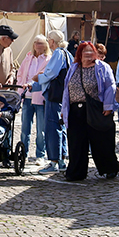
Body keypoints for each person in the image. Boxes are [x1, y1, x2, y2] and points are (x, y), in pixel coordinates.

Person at [61, 41, 119, 181]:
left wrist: (108, 106)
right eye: (84, 51)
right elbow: (66, 90)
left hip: (95, 109)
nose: (88, 54)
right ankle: (76, 172)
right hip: (75, 111)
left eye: (90, 51)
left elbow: (110, 86)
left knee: (101, 142)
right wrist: (65, 109)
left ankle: (109, 168)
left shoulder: (102, 67)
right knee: (76, 143)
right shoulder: (74, 68)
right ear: (79, 54)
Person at [36, 30, 70, 174]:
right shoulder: (67, 53)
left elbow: (51, 73)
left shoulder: (57, 53)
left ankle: (54, 162)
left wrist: (38, 78)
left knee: (52, 126)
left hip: (54, 95)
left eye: (48, 39)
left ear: (52, 41)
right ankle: (61, 160)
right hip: (62, 95)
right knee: (60, 126)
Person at [16, 35, 52, 164]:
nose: (38, 45)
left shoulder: (49, 59)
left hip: (40, 98)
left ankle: (40, 155)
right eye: (36, 43)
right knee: (25, 128)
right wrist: (20, 91)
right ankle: (23, 154)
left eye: (41, 43)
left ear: (46, 45)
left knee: (41, 130)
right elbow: (20, 75)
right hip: (27, 97)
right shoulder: (28, 57)